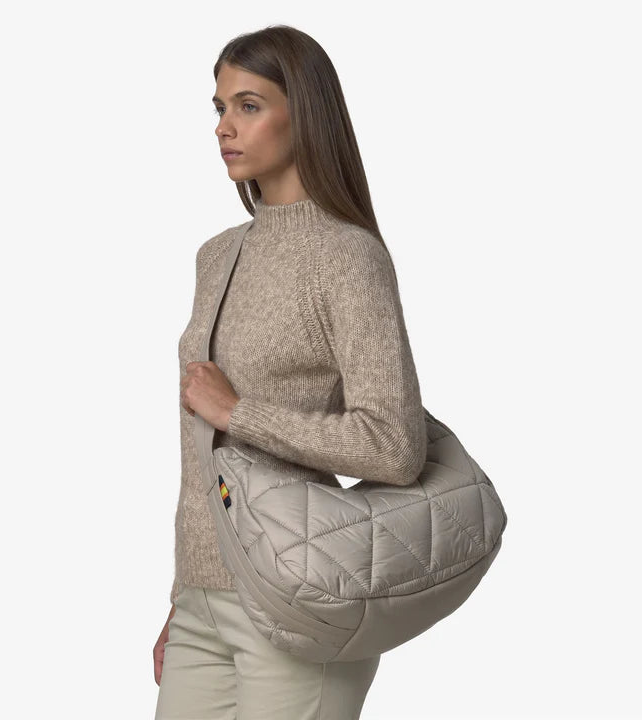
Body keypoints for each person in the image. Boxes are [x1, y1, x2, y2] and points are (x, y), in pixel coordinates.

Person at [153, 24, 427, 720]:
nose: (224, 127)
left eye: (248, 106)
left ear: (303, 113)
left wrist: (238, 412)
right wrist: (182, 597)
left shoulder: (348, 256)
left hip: (296, 597)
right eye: (220, 108)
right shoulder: (216, 256)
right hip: (204, 605)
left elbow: (394, 445)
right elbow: (200, 453)